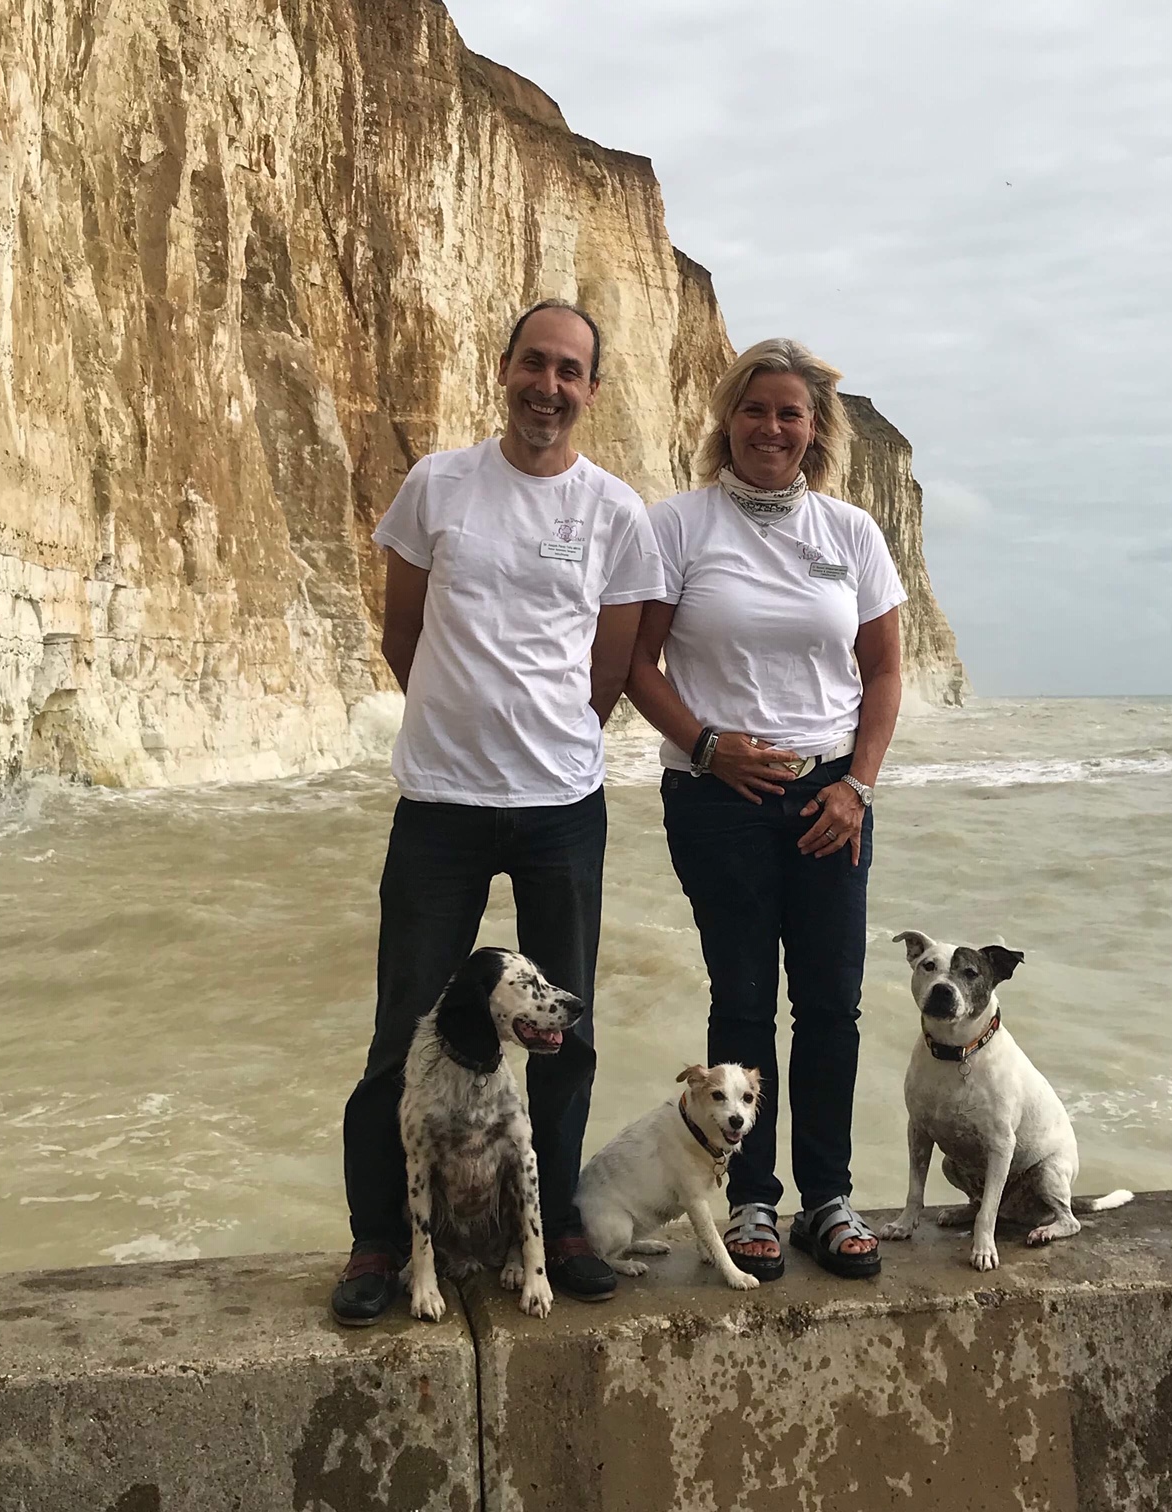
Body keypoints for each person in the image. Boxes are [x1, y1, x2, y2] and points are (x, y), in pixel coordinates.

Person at [331, 300, 665, 1324]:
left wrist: (550, 739)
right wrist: (459, 726)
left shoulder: (615, 513)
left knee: (566, 1029)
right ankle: (380, 1239)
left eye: (569, 371)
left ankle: (554, 1225)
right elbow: (402, 633)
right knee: (405, 1029)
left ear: (592, 391)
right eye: (534, 363)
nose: (547, 387)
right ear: (505, 368)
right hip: (440, 802)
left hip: (561, 805)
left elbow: (611, 664)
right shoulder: (438, 485)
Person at [625, 338, 905, 1280]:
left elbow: (884, 671)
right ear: (728, 420)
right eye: (755, 410)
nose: (772, 428)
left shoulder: (851, 534)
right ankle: (749, 1202)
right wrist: (707, 746)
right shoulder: (677, 526)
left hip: (832, 796)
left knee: (831, 1004)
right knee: (742, 999)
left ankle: (828, 1199)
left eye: (791, 413)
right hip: (717, 798)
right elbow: (635, 663)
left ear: (815, 429)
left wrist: (858, 785)